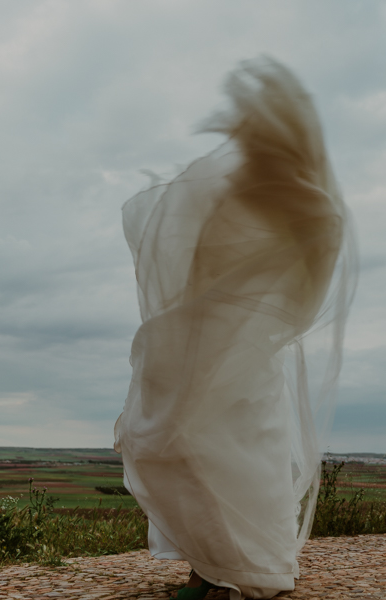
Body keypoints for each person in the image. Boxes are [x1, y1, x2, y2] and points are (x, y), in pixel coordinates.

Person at [114, 57, 357, 600]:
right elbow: (180, 251)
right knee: (197, 452)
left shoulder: (306, 207)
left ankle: (246, 569)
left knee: (243, 459)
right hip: (208, 345)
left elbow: (299, 285)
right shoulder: (226, 190)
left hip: (246, 354)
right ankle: (209, 566)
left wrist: (249, 322)